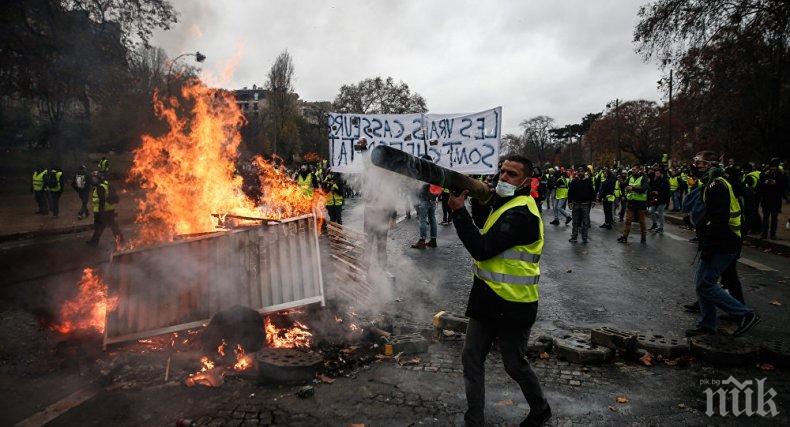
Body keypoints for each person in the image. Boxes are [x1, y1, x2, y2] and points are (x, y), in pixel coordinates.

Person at [447, 154, 550, 427]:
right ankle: (474, 420)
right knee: (471, 357)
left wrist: (458, 211)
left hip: (515, 304)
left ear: (526, 182)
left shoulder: (522, 213)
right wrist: (478, 200)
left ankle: (540, 409)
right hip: (487, 299)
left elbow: (482, 248)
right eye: (502, 172)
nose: (503, 178)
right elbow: (486, 222)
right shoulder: (507, 203)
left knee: (514, 364)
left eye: (511, 174)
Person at [684, 152, 760, 337]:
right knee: (701, 282)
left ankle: (744, 313)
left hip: (724, 241)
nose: (696, 166)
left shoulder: (716, 185)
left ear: (710, 165)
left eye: (700, 163)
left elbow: (719, 219)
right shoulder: (713, 183)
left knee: (705, 283)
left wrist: (709, 245)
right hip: (722, 239)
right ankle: (707, 324)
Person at [86, 172, 124, 247]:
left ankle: (94, 242)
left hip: (102, 211)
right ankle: (120, 238)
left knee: (99, 227)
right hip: (110, 210)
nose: (93, 180)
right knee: (113, 226)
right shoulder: (107, 185)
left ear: (98, 179)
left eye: (94, 178)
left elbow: (101, 201)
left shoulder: (100, 187)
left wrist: (100, 213)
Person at [412, 156, 440, 249]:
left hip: (424, 199)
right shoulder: (434, 171)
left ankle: (422, 241)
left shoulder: (423, 172)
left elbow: (418, 186)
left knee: (422, 219)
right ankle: (433, 240)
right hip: (432, 200)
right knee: (432, 220)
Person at [617, 165, 649, 244]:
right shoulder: (630, 177)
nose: (633, 171)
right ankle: (624, 237)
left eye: (634, 169)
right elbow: (624, 185)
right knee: (628, 220)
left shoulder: (643, 177)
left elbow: (644, 188)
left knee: (642, 221)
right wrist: (620, 181)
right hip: (631, 202)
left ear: (638, 170)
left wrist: (632, 188)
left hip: (641, 203)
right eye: (632, 169)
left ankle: (643, 238)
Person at [757, 158, 787, 240]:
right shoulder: (765, 173)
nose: (772, 168)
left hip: (774, 199)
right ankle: (765, 234)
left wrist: (776, 183)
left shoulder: (780, 174)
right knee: (766, 218)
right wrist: (765, 182)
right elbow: (760, 185)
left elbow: (784, 186)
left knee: (773, 218)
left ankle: (771, 234)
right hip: (768, 199)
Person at [568, 166, 595, 243]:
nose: (580, 173)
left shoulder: (588, 181)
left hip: (585, 204)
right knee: (575, 222)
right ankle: (574, 237)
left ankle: (585, 237)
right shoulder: (574, 181)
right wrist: (570, 202)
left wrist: (593, 200)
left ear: (584, 172)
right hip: (576, 204)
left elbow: (592, 192)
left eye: (582, 171)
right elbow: (570, 193)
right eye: (579, 171)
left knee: (585, 222)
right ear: (577, 172)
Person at [648, 168, 670, 234]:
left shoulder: (665, 181)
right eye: (655, 173)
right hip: (655, 199)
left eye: (657, 173)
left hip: (663, 199)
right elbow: (652, 187)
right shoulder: (655, 180)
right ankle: (654, 224)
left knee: (660, 213)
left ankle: (661, 227)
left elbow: (667, 191)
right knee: (651, 211)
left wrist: (658, 192)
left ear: (661, 174)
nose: (656, 174)